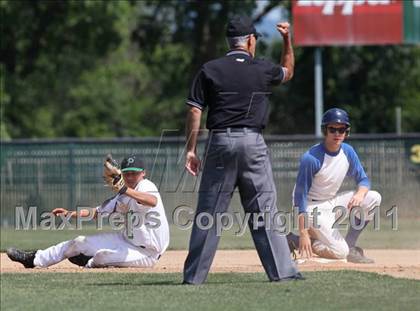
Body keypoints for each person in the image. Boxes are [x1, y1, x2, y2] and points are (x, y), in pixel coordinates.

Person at [183, 15, 302, 284]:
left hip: (220, 142)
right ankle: (282, 273)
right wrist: (286, 40)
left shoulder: (210, 69)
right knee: (264, 210)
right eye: (255, 40)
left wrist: (191, 149)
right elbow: (288, 72)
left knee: (209, 213)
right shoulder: (261, 68)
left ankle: (194, 278)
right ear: (250, 41)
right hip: (252, 143)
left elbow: (194, 109)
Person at [7, 155, 170, 269]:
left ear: (144, 173)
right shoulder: (122, 195)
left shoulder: (147, 186)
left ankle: (89, 262)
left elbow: (151, 200)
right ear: (122, 174)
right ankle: (34, 259)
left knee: (101, 256)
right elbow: (97, 212)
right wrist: (71, 213)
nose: (130, 176)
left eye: (135, 173)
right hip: (125, 240)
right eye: (127, 173)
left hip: (148, 252)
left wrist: (124, 189)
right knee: (79, 241)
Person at [287, 108, 381, 263]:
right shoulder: (311, 158)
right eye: (332, 129)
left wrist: (359, 194)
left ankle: (350, 246)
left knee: (373, 197)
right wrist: (303, 233)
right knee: (339, 253)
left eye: (342, 129)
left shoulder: (348, 151)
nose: (337, 133)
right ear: (325, 131)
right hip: (310, 207)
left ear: (346, 132)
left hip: (331, 202)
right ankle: (294, 240)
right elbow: (299, 197)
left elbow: (364, 181)